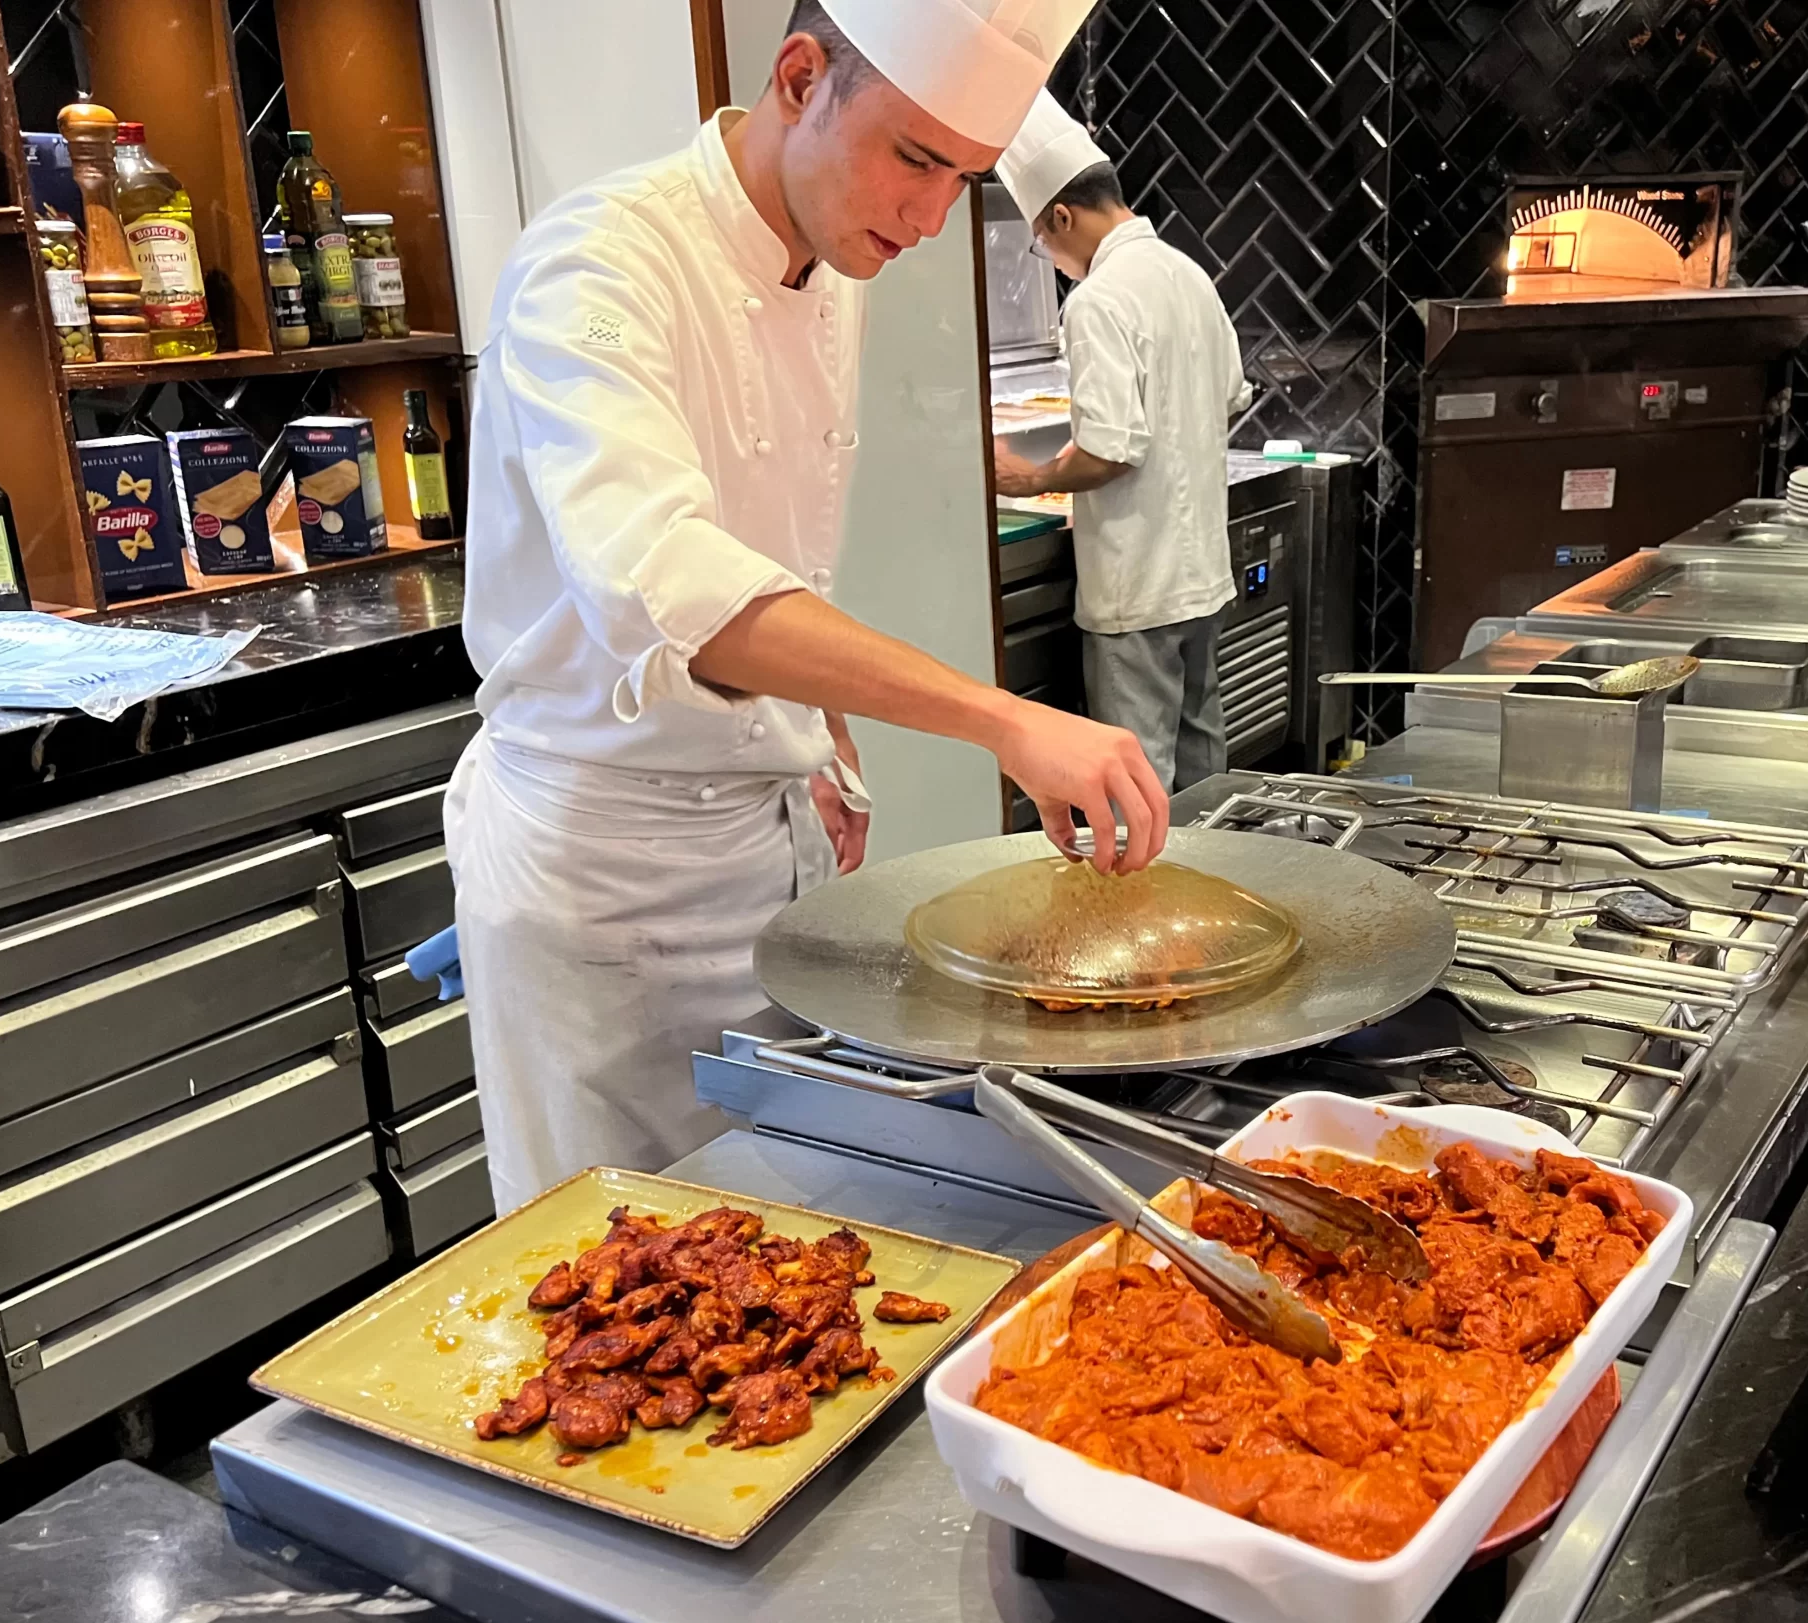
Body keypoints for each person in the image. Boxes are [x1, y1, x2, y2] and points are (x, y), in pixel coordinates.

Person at [448, 0, 1166, 1212]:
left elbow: (771, 553)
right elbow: (671, 582)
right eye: (915, 158)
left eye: (969, 181)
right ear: (797, 78)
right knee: (609, 1274)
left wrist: (819, 735)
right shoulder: (598, 264)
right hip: (604, 877)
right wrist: (1004, 720)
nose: (930, 218)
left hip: (767, 843)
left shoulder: (832, 262)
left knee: (780, 1248)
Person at [990, 94, 1250, 795]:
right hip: (1200, 578)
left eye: (1043, 240)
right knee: (1202, 777)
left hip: (1136, 586)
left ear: (1063, 217)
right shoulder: (1188, 274)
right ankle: (1210, 900)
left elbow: (1109, 450)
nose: (1050, 256)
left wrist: (1027, 477)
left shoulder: (1099, 299)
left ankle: (1144, 906)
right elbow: (1229, 399)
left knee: (1137, 789)